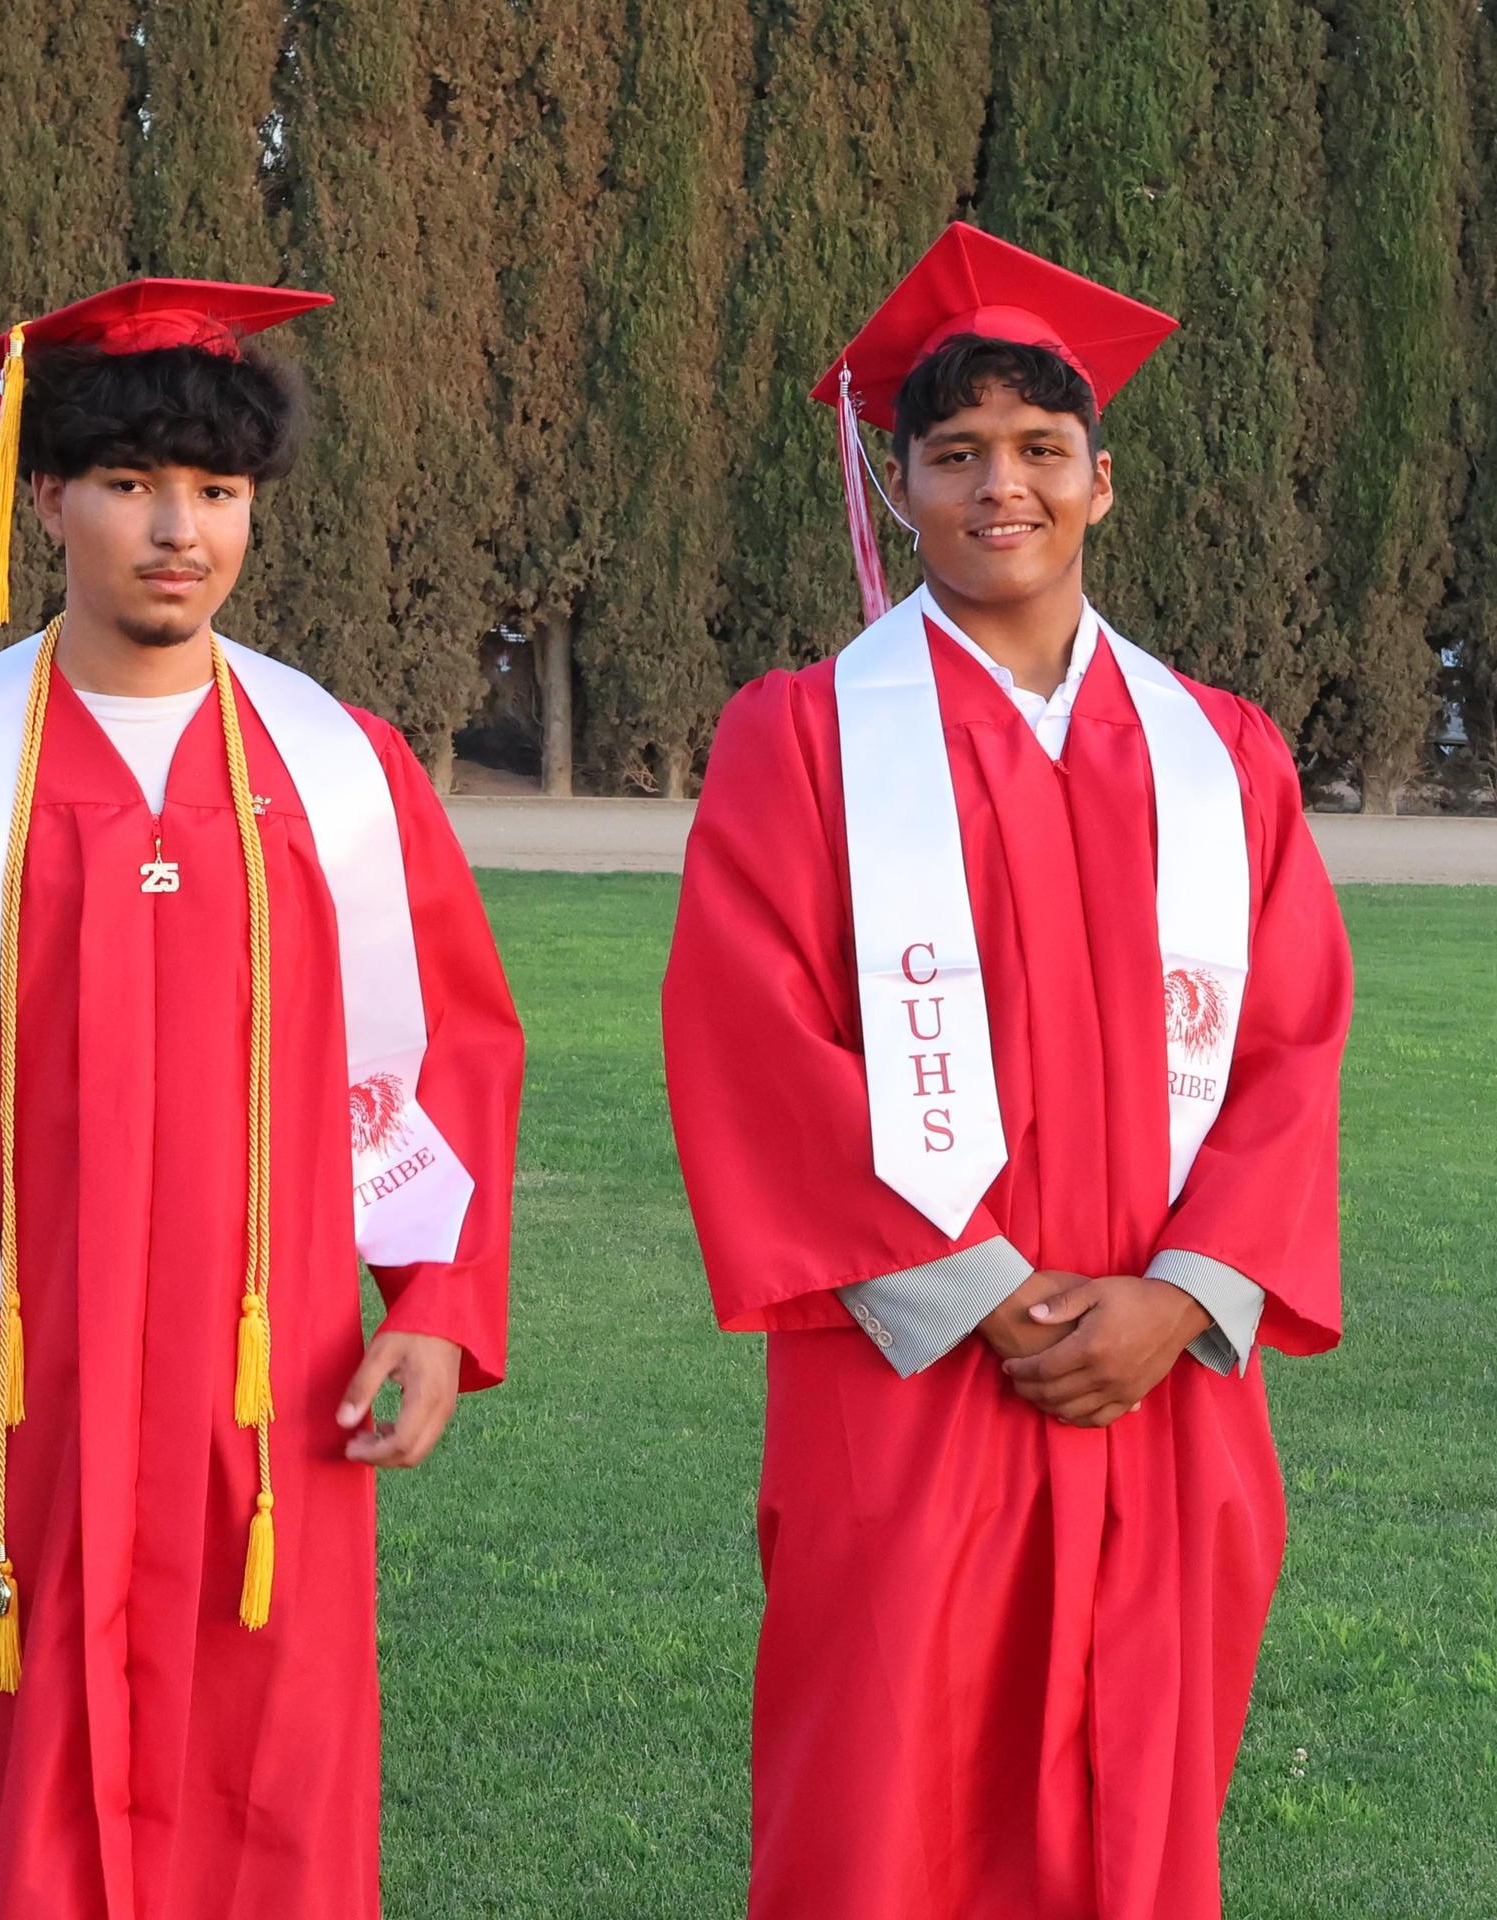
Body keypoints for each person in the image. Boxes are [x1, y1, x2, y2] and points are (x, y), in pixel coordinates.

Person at [0, 278, 524, 1920]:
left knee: (267, 1805)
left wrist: (437, 1307)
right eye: (133, 485)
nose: (180, 531)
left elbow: (450, 1065)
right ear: (52, 498)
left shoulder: (341, 773)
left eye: (216, 493)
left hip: (270, 1400)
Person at [661, 224, 1351, 1920]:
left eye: (1041, 453)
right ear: (899, 490)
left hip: (1169, 1385)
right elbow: (754, 1038)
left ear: (1100, 483)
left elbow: (1291, 1045)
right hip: (914, 1375)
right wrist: (987, 1297)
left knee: (1146, 1792)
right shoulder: (805, 735)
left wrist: (1181, 1299)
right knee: (882, 1790)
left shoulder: (1219, 750)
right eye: (957, 456)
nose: (1002, 488)